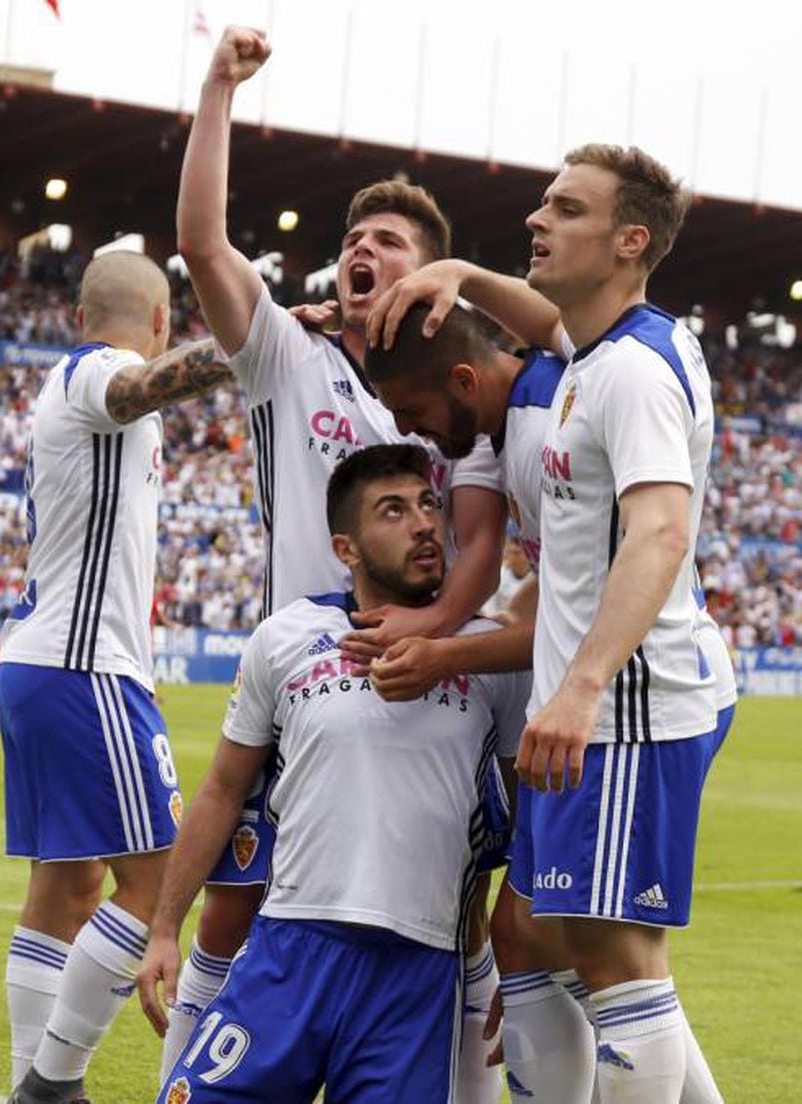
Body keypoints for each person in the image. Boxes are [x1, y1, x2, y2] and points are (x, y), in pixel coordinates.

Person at [170, 26, 508, 1097]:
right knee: (234, 905)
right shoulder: (290, 352)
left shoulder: (466, 392)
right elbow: (205, 247)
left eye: (391, 240)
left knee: (450, 922)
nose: (362, 248)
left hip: (445, 687)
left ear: (434, 275)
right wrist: (218, 87)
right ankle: (175, 1070)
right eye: (353, 236)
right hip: (303, 683)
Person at [366, 300, 734, 1103]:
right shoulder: (537, 405)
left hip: (632, 703)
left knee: (605, 954)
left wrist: (443, 655)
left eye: (417, 413)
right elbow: (557, 594)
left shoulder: (544, 423)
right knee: (524, 935)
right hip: (605, 695)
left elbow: (591, 600)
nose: (422, 433)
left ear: (465, 379)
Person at [138, 444, 530, 1104]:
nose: (424, 523)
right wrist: (164, 928)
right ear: (346, 548)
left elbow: (529, 813)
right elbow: (223, 789)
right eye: (394, 510)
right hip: (291, 947)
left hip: (419, 972)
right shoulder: (286, 636)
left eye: (429, 504)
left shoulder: (487, 652)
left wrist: (517, 955)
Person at [0, 250, 236, 1104]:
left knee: (68, 884)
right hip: (79, 664)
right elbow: (139, 391)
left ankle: (37, 1076)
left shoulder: (63, 380)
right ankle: (52, 1084)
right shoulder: (103, 373)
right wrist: (246, 343)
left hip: (53, 662)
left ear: (78, 311)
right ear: (163, 322)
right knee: (160, 875)